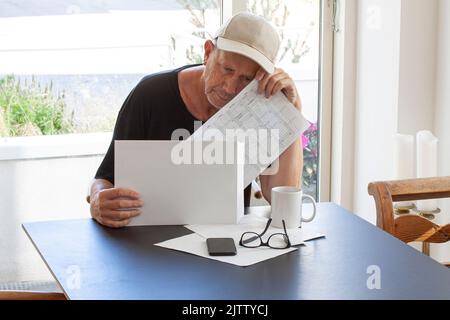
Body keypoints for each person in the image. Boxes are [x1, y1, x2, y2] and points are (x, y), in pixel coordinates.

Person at [90, 12, 304, 228]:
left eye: (246, 79)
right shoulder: (150, 94)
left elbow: (282, 202)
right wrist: (98, 199)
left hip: (225, 244)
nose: (230, 87)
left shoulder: (258, 109)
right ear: (208, 52)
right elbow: (106, 177)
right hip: (147, 240)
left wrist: (291, 110)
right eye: (226, 68)